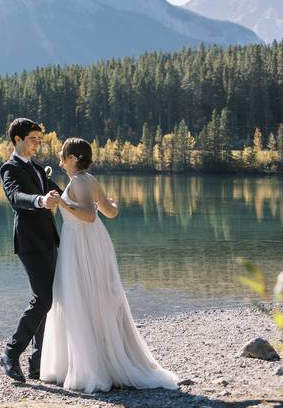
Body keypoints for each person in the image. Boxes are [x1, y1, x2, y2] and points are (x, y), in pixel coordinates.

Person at [39, 137, 178, 392]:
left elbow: (89, 216)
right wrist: (111, 202)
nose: (60, 158)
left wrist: (62, 202)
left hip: (82, 245)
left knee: (80, 299)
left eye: (63, 154)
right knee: (94, 298)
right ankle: (99, 358)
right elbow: (110, 212)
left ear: (74, 158)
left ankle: (91, 367)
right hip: (93, 244)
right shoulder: (89, 181)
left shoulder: (80, 181)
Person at [0, 118, 87, 383]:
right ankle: (10, 354)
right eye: (33, 139)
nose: (38, 144)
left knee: (51, 298)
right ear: (18, 140)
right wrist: (40, 200)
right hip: (29, 243)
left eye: (39, 139)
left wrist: (90, 200)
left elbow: (61, 195)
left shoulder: (38, 169)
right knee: (43, 299)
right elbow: (15, 198)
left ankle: (38, 362)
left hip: (50, 241)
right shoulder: (9, 168)